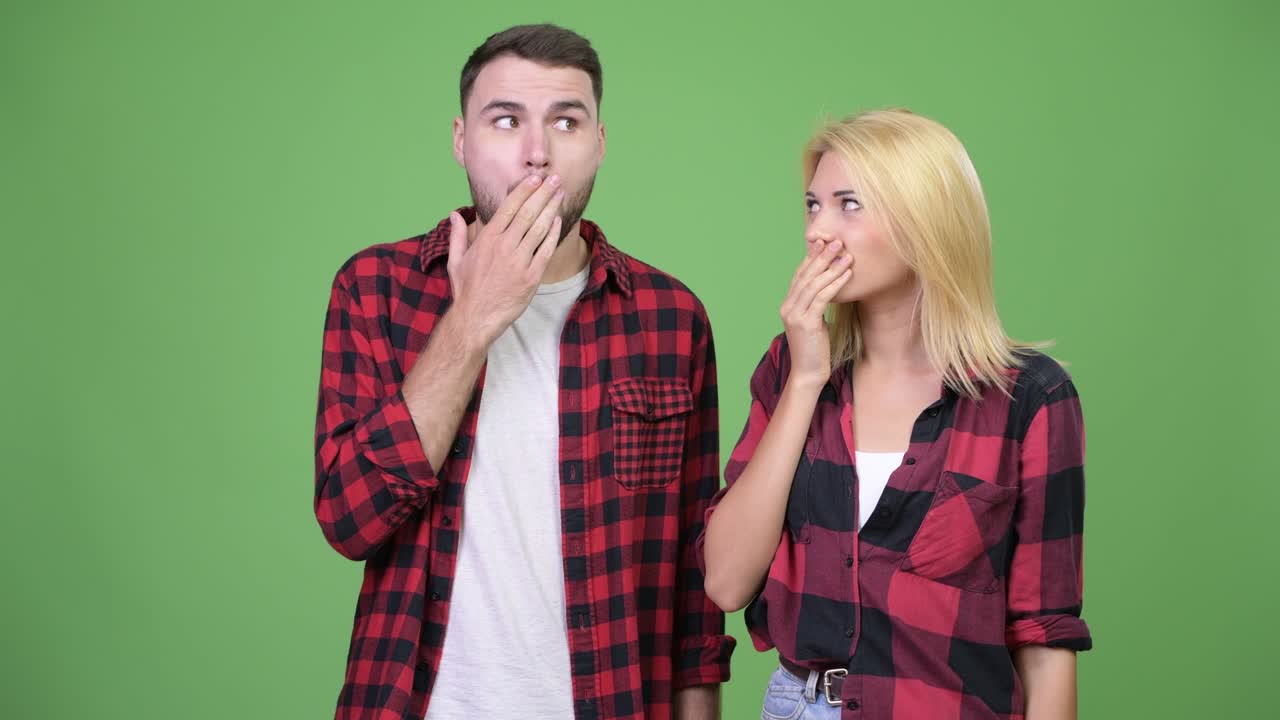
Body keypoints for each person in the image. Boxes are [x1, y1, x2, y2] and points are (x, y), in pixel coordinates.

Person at [313, 24, 733, 720]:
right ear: (460, 140)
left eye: (565, 122)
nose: (537, 153)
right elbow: (349, 520)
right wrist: (473, 316)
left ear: (598, 142)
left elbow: (694, 594)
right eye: (505, 120)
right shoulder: (375, 289)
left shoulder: (671, 317)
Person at [698, 109, 1091, 719]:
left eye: (848, 204)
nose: (818, 231)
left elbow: (1046, 634)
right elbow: (725, 582)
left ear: (925, 222)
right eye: (812, 205)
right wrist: (805, 379)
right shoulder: (790, 370)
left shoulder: (1029, 398)